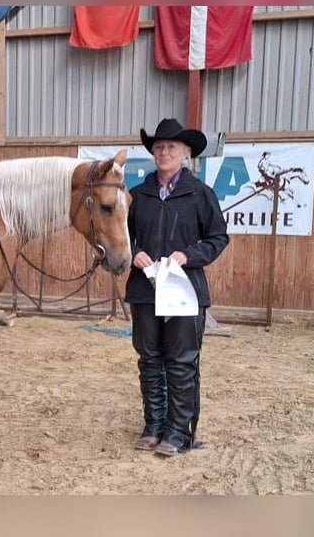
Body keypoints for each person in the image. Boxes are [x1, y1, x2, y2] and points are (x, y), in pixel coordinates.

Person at [125, 118, 229, 457]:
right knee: (149, 359)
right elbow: (120, 238)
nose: (164, 152)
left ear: (185, 153)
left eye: (171, 147)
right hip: (145, 290)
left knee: (182, 361)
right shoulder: (137, 196)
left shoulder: (201, 194)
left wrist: (189, 254)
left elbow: (218, 237)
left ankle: (179, 430)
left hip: (185, 291)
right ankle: (153, 424)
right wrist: (134, 252)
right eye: (158, 148)